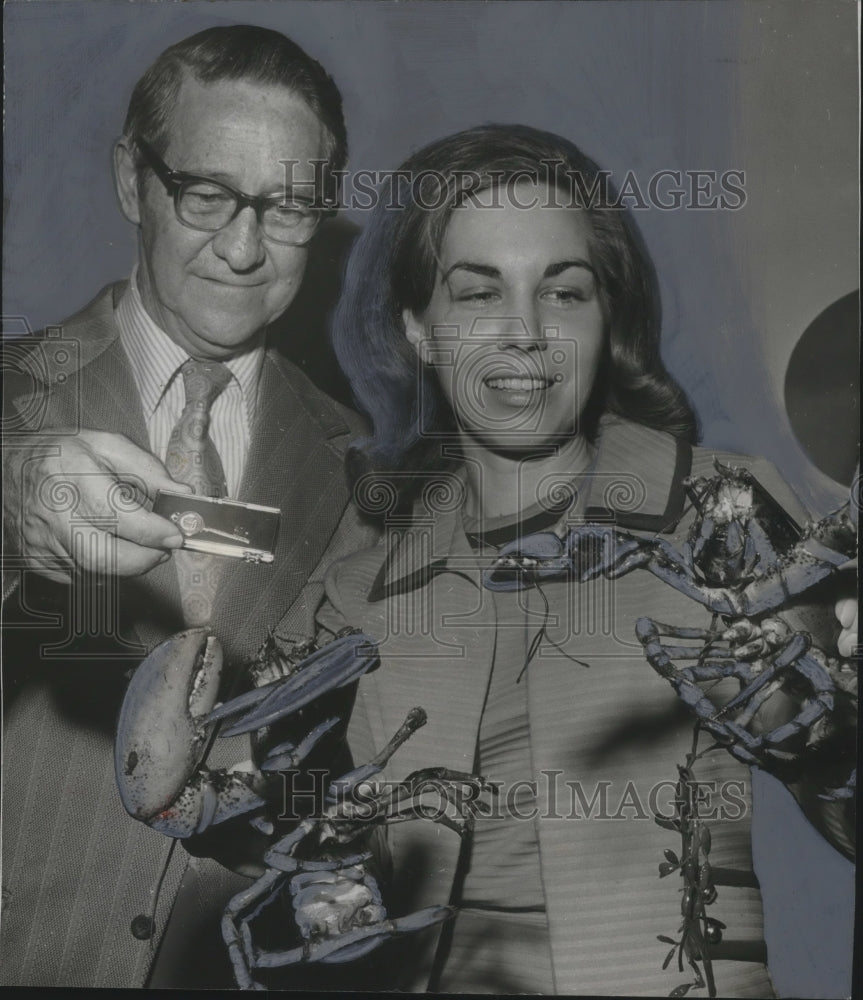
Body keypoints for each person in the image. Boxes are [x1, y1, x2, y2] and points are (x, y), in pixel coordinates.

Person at [312, 125, 857, 994]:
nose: (525, 333)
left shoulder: (722, 512)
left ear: (607, 322)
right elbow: (288, 849)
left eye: (563, 294)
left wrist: (826, 743)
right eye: (478, 293)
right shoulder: (361, 575)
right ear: (419, 329)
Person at [0, 25, 373, 988]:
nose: (244, 248)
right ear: (134, 181)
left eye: (287, 207)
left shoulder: (365, 466)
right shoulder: (9, 390)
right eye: (206, 193)